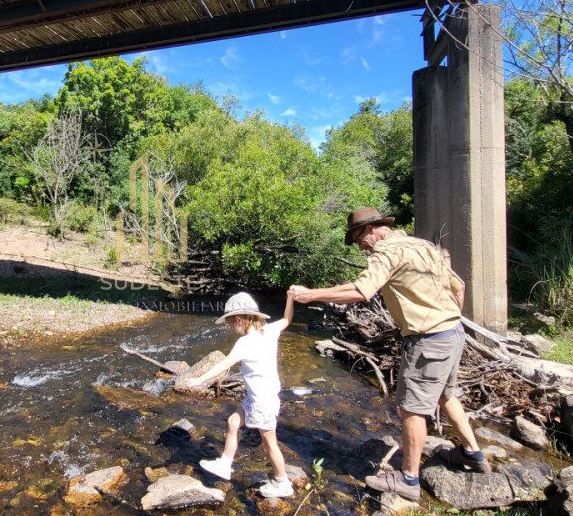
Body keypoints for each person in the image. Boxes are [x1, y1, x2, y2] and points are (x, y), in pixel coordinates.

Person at [288, 207, 488, 501]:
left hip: (429, 339)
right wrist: (447, 317)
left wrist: (311, 295)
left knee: (411, 409)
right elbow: (460, 287)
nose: (359, 247)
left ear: (371, 230)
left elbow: (361, 290)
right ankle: (473, 453)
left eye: (358, 239)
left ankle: (408, 479)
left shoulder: (384, 253)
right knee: (446, 394)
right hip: (453, 332)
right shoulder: (423, 246)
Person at [182, 291, 295, 499]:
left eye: (232, 324)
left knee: (270, 443)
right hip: (261, 397)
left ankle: (283, 482)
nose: (233, 329)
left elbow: (225, 364)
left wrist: (199, 380)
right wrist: (289, 298)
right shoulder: (269, 331)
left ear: (240, 320)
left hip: (261, 401)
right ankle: (225, 464)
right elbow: (287, 320)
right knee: (234, 421)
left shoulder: (245, 343)